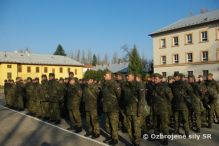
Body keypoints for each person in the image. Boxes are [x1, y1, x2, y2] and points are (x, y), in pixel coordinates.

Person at [123, 72, 145, 146]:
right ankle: (132, 142)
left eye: (128, 76)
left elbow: (142, 99)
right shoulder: (125, 85)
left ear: (132, 76)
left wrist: (140, 111)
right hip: (128, 110)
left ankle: (137, 143)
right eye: (126, 76)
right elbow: (123, 98)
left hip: (136, 111)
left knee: (136, 129)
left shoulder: (138, 85)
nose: (127, 77)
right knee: (129, 128)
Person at [151, 73, 173, 145]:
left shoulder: (165, 87)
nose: (154, 80)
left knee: (164, 125)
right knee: (155, 124)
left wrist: (165, 104)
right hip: (155, 109)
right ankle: (156, 136)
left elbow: (170, 97)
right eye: (154, 78)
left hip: (163, 110)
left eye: (156, 78)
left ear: (160, 79)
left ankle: (166, 139)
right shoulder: (154, 87)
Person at [101, 71, 121, 145]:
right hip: (106, 107)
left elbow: (119, 96)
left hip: (113, 108)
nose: (104, 77)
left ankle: (115, 139)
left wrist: (116, 104)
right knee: (108, 124)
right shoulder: (105, 84)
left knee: (113, 124)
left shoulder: (115, 84)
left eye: (105, 75)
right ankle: (111, 137)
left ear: (109, 76)